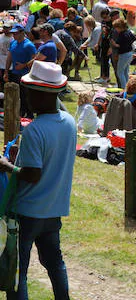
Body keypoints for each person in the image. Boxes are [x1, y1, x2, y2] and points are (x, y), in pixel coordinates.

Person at [0, 61, 76, 299]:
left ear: (41, 94)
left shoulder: (35, 129)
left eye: (31, 92)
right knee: (55, 262)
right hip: (54, 208)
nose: (28, 97)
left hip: (28, 210)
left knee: (18, 270)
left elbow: (32, 175)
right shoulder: (69, 122)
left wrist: (6, 166)